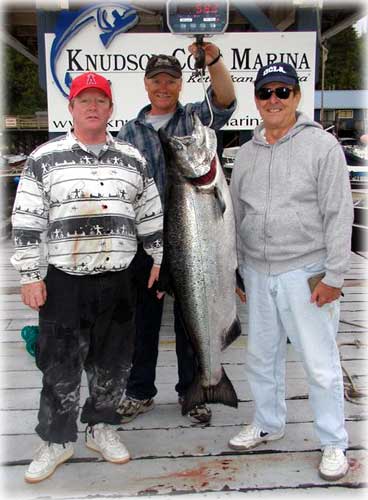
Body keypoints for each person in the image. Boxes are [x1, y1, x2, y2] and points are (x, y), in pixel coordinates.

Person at [11, 71, 163, 483]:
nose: (92, 107)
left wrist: (158, 258)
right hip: (63, 281)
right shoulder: (43, 158)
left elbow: (151, 214)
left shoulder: (134, 158)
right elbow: (26, 220)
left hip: (119, 280)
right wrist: (29, 273)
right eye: (84, 101)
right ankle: (57, 440)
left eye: (100, 101)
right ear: (72, 108)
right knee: (59, 368)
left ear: (111, 109)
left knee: (113, 364)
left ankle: (101, 428)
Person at [229, 62, 354, 481]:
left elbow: (340, 213)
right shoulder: (245, 152)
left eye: (283, 91)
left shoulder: (322, 146)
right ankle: (268, 422)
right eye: (266, 93)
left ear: (298, 97)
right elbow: (236, 213)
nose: (274, 100)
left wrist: (334, 276)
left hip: (307, 272)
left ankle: (333, 440)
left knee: (320, 363)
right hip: (258, 273)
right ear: (257, 101)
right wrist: (238, 269)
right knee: (260, 358)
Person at [117, 43, 236, 424]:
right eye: (157, 80)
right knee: (142, 323)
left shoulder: (194, 119)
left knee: (191, 316)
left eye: (170, 80)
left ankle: (195, 389)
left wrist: (214, 61)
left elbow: (225, 100)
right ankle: (139, 391)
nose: (163, 87)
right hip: (143, 245)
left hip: (192, 241)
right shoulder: (128, 131)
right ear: (147, 84)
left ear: (181, 84)